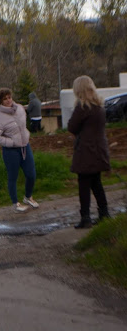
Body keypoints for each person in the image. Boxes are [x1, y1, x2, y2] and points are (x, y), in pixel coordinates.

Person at [68, 76, 111, 229]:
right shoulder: (99, 106)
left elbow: (72, 127)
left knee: (84, 185)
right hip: (99, 150)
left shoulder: (82, 107)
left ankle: (85, 217)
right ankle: (104, 213)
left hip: (86, 151)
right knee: (97, 184)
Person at [0, 89, 39, 213]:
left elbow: (23, 125)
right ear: (0, 101)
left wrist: (26, 135)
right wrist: (11, 142)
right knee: (13, 177)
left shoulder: (20, 109)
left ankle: (28, 197)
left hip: (25, 146)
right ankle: (15, 203)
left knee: (31, 174)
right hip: (11, 151)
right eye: (5, 99)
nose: (8, 100)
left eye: (9, 97)